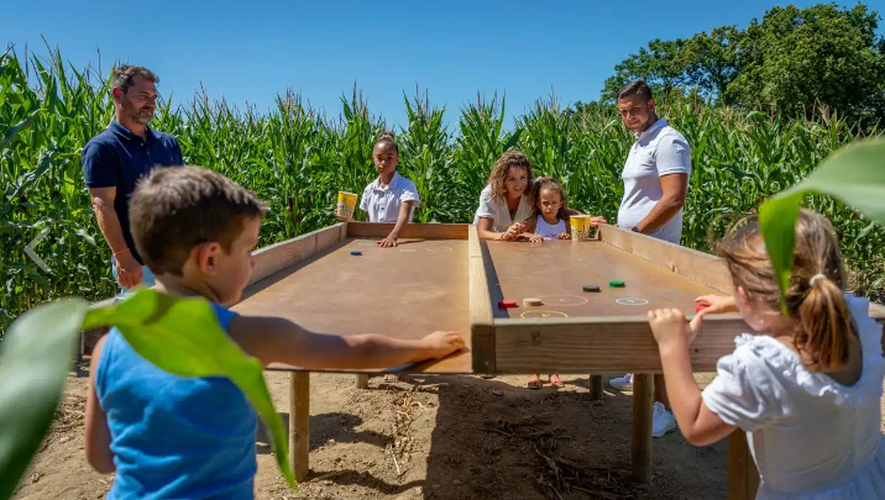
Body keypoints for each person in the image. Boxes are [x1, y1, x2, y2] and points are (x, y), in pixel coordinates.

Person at [84, 166, 464, 498]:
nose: (252, 262)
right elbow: (358, 352)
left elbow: (100, 459)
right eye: (248, 250)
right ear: (210, 259)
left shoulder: (108, 347)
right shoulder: (247, 337)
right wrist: (425, 345)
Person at [647, 209, 885, 499]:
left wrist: (672, 346)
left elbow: (696, 425)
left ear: (747, 296)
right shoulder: (855, 319)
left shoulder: (764, 366)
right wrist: (740, 303)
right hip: (867, 484)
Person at [607, 80, 692, 438]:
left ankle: (666, 408)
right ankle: (637, 373)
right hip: (636, 245)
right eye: (623, 112)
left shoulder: (669, 141)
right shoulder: (641, 142)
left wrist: (638, 232)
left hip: (655, 248)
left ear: (652, 104)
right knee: (638, 317)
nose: (629, 117)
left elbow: (674, 198)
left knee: (659, 329)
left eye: (635, 110)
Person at [82, 65, 184, 299]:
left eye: (153, 97)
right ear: (118, 94)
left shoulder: (168, 144)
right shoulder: (104, 148)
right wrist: (122, 256)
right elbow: (102, 204)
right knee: (140, 333)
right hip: (140, 268)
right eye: (142, 96)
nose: (151, 103)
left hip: (177, 262)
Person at [338, 131, 419, 249]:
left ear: (397, 159)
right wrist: (348, 219)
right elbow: (369, 225)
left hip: (400, 243)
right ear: (373, 159)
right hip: (376, 245)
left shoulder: (406, 186)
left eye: (389, 158)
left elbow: (404, 215)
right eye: (379, 158)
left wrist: (393, 237)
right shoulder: (369, 190)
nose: (384, 163)